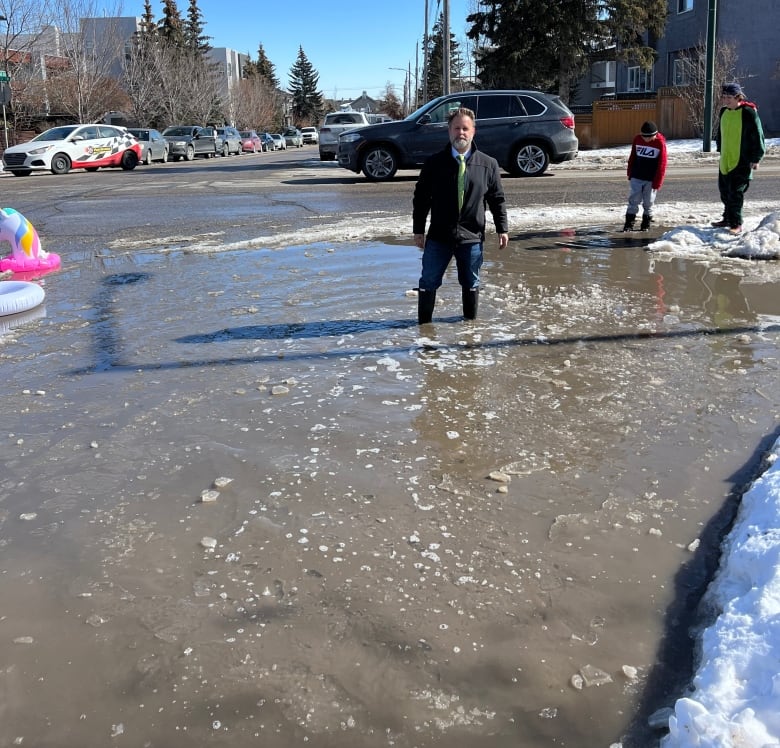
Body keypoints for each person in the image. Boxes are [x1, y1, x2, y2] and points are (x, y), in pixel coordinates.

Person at [412, 107, 509, 324]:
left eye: (465, 128)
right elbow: (421, 199)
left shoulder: (488, 164)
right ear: (449, 131)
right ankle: (424, 332)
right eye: (456, 128)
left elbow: (497, 199)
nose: (461, 133)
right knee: (428, 281)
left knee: (471, 282)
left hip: (472, 237)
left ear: (473, 131)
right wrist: (418, 229)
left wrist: (503, 228)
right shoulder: (434, 163)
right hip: (439, 237)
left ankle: (469, 332)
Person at [712, 82, 765, 235]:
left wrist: (756, 158)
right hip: (726, 158)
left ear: (738, 97)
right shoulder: (724, 112)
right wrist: (720, 147)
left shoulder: (748, 112)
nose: (726, 100)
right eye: (724, 97)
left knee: (736, 192)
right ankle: (727, 218)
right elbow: (721, 132)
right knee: (724, 191)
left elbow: (758, 135)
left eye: (729, 97)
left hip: (742, 159)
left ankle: (736, 223)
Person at [622, 120, 668, 232]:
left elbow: (662, 164)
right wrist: (630, 172)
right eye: (644, 137)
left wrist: (658, 182)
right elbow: (632, 156)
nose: (646, 139)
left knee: (648, 202)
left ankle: (646, 224)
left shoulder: (660, 143)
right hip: (637, 176)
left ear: (655, 135)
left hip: (651, 179)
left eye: (648, 137)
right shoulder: (637, 140)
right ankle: (629, 223)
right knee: (634, 200)